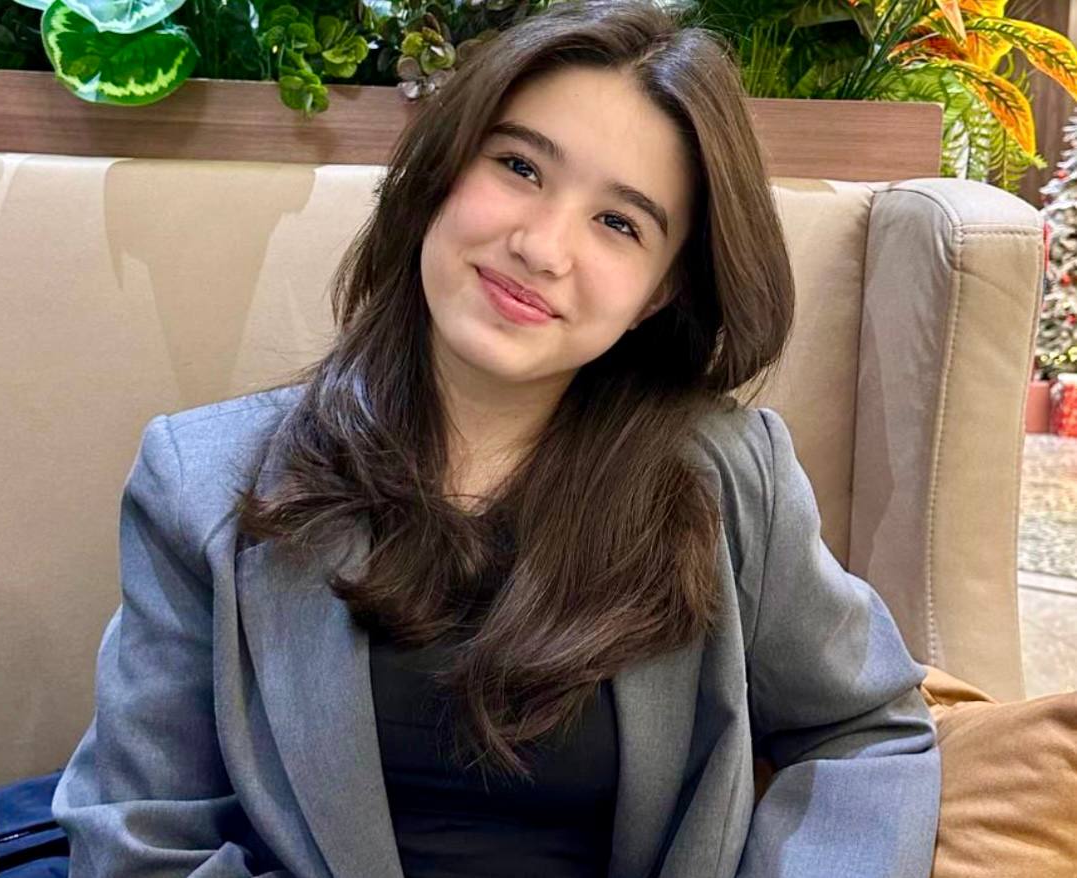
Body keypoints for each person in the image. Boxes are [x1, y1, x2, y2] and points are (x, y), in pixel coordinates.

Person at [51, 1, 942, 875]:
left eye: (619, 223)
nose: (542, 247)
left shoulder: (731, 478)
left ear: (662, 291)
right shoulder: (202, 482)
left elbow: (865, 729)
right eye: (519, 167)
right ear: (442, 171)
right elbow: (139, 836)